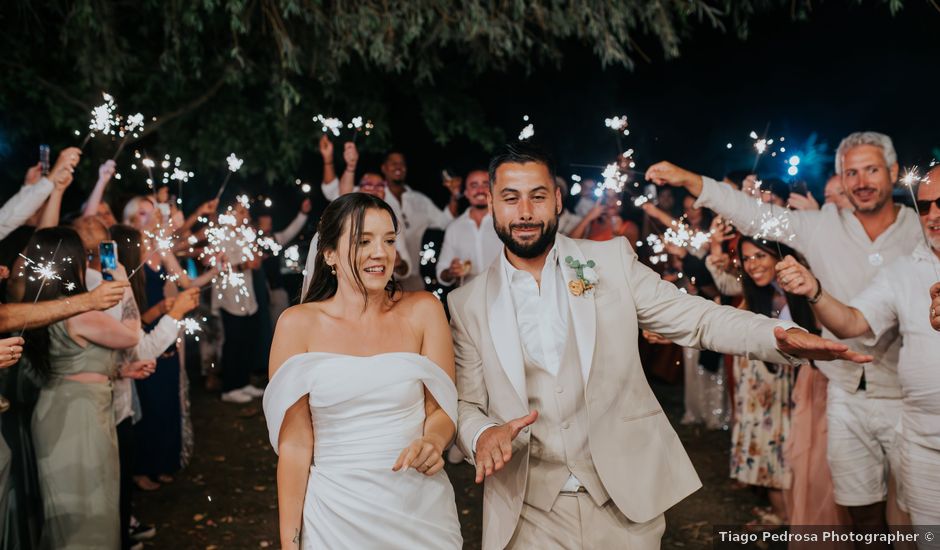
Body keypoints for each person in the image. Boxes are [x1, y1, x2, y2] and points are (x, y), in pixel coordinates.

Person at [450, 143, 870, 549]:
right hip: (527, 508)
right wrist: (483, 433)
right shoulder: (466, 303)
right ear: (490, 202)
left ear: (558, 200)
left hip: (622, 499)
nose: (525, 212)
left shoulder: (610, 261)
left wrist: (774, 335)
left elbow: (698, 318)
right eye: (510, 198)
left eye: (538, 196)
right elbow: (467, 405)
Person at [647, 131, 922, 534]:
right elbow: (754, 215)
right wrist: (693, 181)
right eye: (852, 172)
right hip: (844, 393)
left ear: (893, 172)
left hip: (908, 396)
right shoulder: (819, 227)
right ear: (841, 178)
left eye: (872, 170)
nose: (861, 181)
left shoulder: (922, 229)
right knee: (861, 512)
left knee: (916, 514)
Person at [263, 193, 461, 548]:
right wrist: (289, 543)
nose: (380, 253)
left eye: (388, 240)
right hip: (335, 516)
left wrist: (434, 439)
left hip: (417, 510)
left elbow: (441, 409)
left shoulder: (424, 311)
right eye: (363, 241)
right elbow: (295, 444)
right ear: (328, 254)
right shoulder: (297, 325)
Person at [776, 167, 940, 538]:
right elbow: (852, 321)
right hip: (923, 444)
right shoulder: (905, 269)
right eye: (926, 205)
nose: (933, 216)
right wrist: (815, 290)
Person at [23, 227, 140, 549]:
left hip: (59, 406)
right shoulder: (76, 310)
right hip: (79, 415)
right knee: (90, 510)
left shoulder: (37, 308)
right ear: (71, 262)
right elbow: (132, 335)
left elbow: (75, 361)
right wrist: (123, 282)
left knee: (67, 510)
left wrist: (118, 370)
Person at [320, 137, 458, 290]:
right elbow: (336, 193)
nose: (398, 166)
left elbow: (445, 221)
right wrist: (332, 161)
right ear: (384, 168)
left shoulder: (418, 201)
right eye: (393, 163)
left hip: (411, 279)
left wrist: (455, 196)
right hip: (367, 281)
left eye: (402, 163)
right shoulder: (369, 194)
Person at [437, 169, 502, 286]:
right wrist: (451, 272)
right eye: (474, 185)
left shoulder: (505, 221)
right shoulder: (454, 228)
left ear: (493, 189)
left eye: (485, 184)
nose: (480, 190)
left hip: (505, 296)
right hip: (469, 300)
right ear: (466, 192)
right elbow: (441, 273)